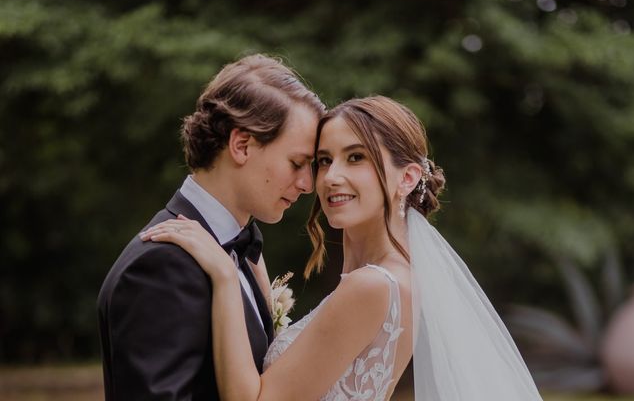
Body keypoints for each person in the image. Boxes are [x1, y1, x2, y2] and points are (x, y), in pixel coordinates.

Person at [141, 96, 543, 400]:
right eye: (323, 160)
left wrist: (226, 279)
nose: (332, 177)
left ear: (408, 178)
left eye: (356, 158)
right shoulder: (400, 278)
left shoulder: (372, 286)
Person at [97, 54, 326, 400]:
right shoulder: (161, 265)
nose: (307, 184)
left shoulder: (240, 251)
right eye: (297, 163)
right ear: (241, 145)